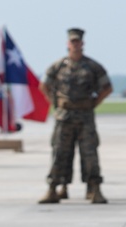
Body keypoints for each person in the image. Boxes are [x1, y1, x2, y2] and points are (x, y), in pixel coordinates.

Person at [39, 28, 113, 204]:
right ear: (68, 44)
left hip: (85, 117)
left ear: (82, 43)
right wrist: (55, 103)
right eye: (72, 41)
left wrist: (94, 103)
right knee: (59, 153)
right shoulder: (58, 66)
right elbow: (44, 85)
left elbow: (107, 88)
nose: (75, 44)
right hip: (64, 116)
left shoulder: (92, 66)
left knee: (90, 154)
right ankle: (53, 188)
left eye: (78, 41)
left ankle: (94, 188)